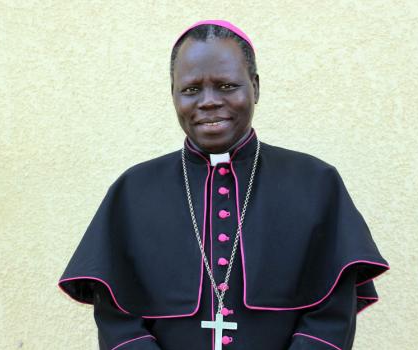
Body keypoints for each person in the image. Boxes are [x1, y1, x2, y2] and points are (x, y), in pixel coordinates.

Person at [58, 20, 389, 350]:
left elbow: (332, 314)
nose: (209, 101)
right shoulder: (133, 191)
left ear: (255, 87)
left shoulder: (316, 183)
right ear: (173, 93)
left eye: (226, 86)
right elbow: (117, 319)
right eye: (191, 89)